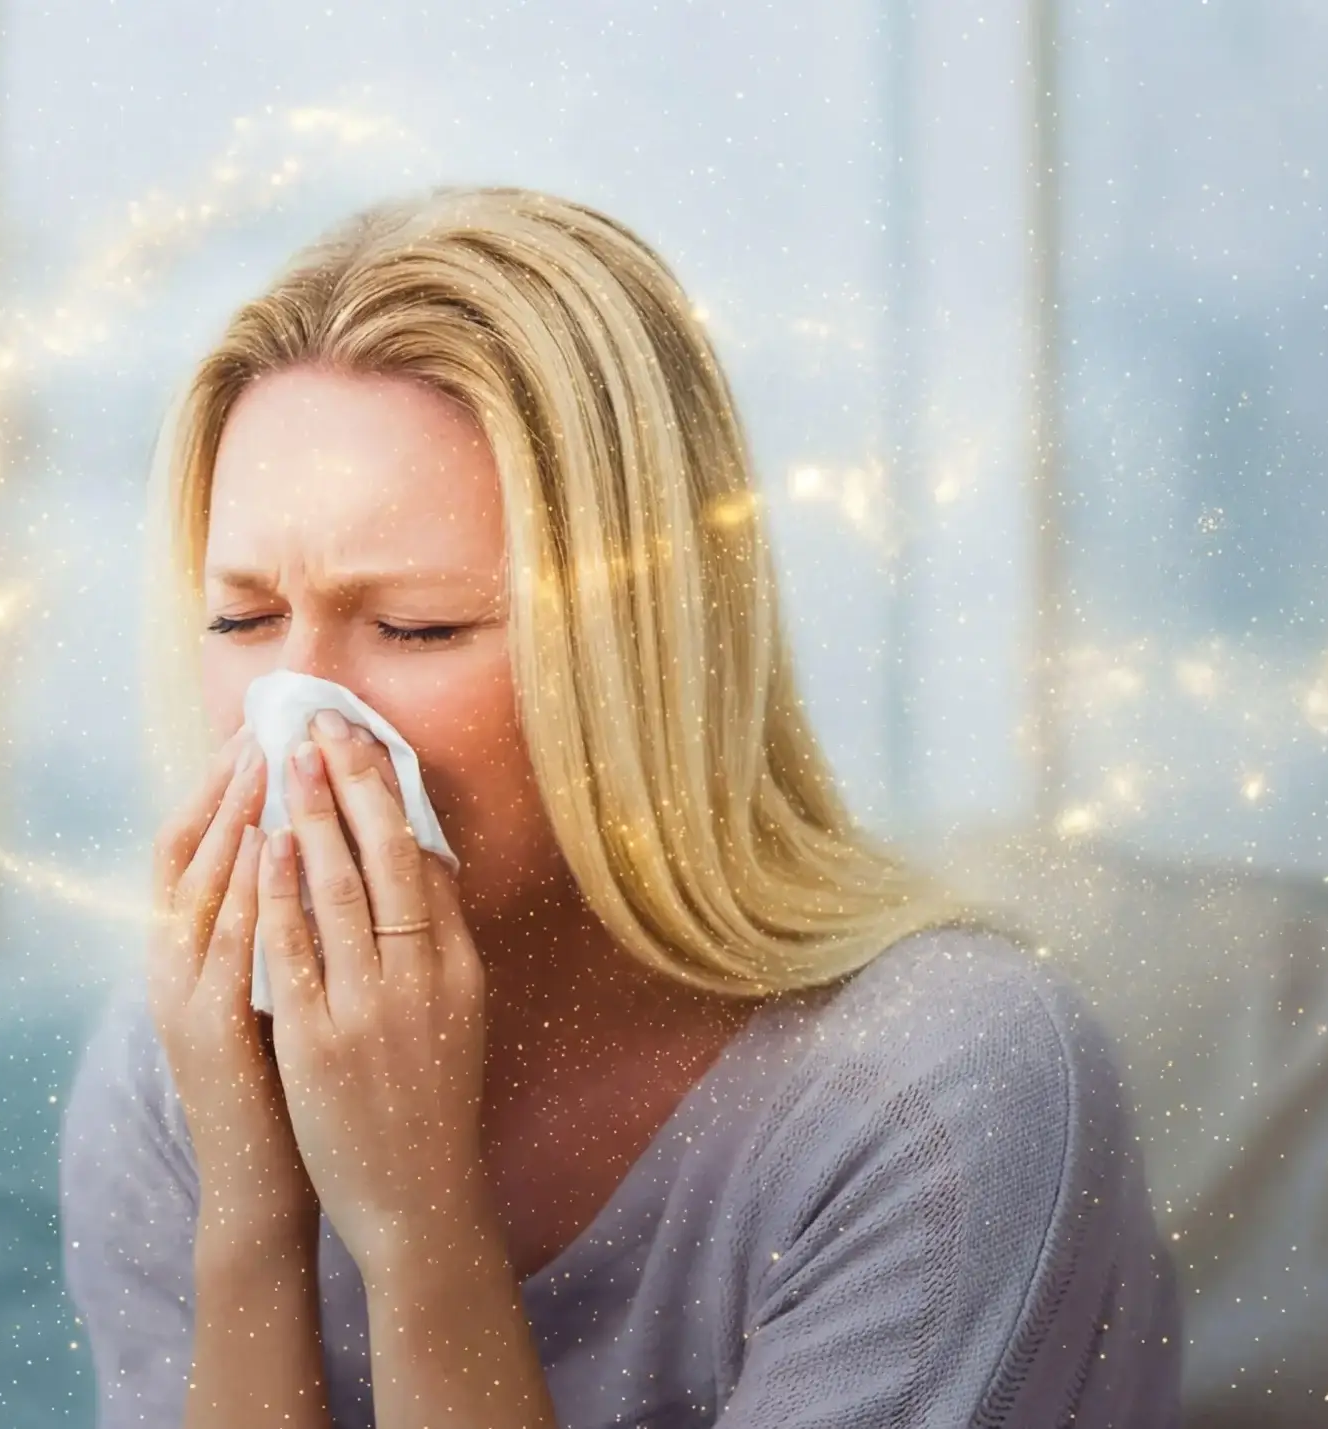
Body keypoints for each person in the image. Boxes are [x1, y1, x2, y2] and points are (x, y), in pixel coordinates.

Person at [62, 186, 1181, 1428]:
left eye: (417, 627)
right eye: (243, 618)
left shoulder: (938, 1095)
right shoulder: (179, 1063)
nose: (300, 714)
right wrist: (250, 1219)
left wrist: (418, 1227)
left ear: (641, 653)